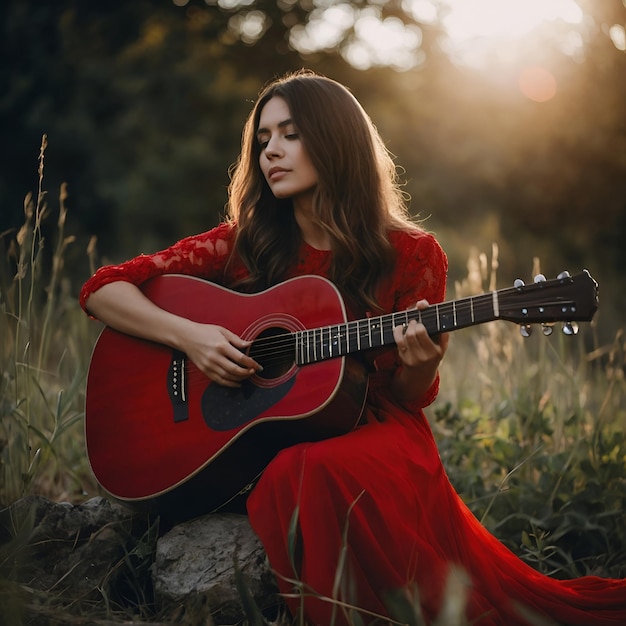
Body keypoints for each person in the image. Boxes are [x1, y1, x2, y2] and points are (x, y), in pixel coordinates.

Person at [80, 69, 626, 625]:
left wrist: (423, 363)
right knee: (296, 463)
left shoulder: (411, 253)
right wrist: (192, 337)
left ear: (336, 141)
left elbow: (409, 399)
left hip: (377, 429)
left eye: (290, 134)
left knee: (304, 469)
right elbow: (103, 290)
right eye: (263, 139)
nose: (271, 151)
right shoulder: (246, 241)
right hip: (279, 430)